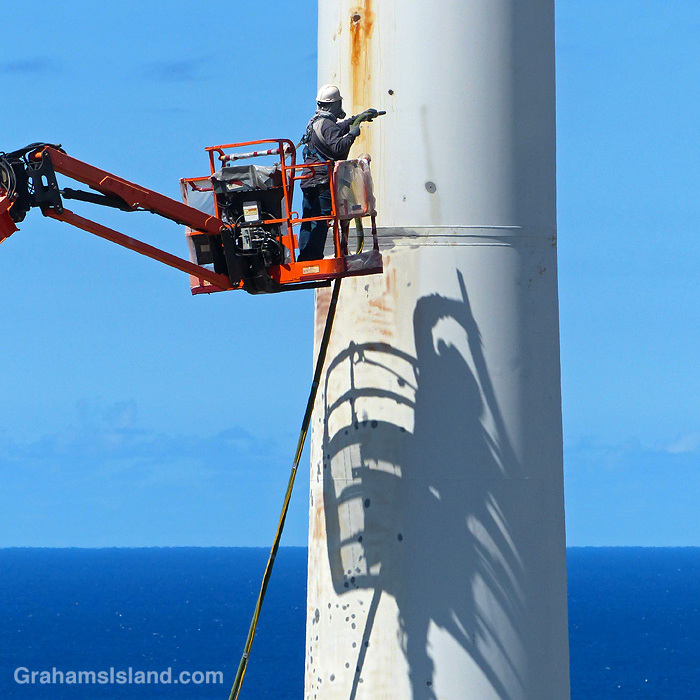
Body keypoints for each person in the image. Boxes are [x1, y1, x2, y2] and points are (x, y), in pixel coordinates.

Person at [297, 85, 378, 261]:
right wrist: (353, 134)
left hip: (308, 179)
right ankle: (313, 259)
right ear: (334, 104)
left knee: (307, 221)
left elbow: (336, 129)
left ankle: (304, 257)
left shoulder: (315, 122)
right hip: (322, 181)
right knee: (321, 221)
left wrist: (357, 119)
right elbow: (337, 148)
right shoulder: (327, 124)